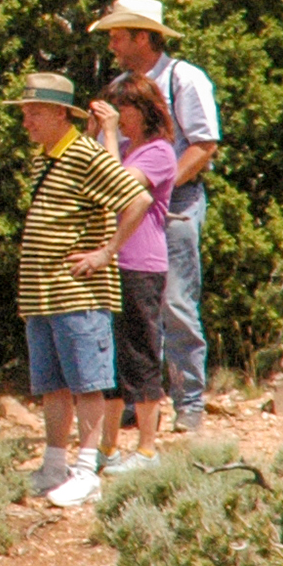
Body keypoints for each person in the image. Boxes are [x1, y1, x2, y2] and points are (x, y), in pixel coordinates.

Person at [9, 74, 152, 510]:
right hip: (43, 294)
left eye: (33, 112)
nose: (26, 120)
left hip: (78, 294)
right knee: (52, 384)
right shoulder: (45, 158)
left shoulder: (85, 154)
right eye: (25, 112)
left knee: (88, 384)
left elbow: (138, 199)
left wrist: (106, 253)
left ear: (59, 114)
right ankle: (55, 465)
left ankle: (87, 470)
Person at [91, 0, 220, 434]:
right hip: (133, 208)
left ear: (143, 37)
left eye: (118, 35)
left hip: (175, 206)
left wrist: (161, 186)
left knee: (176, 301)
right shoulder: (123, 85)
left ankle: (188, 403)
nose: (112, 44)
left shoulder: (185, 79)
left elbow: (203, 146)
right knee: (134, 306)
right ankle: (140, 399)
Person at [86, 76, 176, 473]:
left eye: (123, 108)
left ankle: (147, 449)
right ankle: (107, 447)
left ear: (144, 110)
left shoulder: (159, 153)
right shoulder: (122, 147)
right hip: (110, 264)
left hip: (141, 263)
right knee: (110, 361)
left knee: (141, 354)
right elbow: (88, 180)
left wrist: (106, 134)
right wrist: (93, 135)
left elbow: (118, 187)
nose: (118, 117)